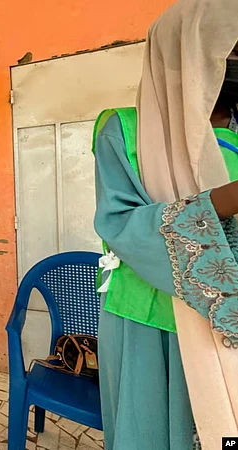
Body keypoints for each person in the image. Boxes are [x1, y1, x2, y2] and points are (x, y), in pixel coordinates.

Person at [92, 0, 238, 448]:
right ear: (178, 57)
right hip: (149, 318)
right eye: (227, 52)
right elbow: (118, 223)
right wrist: (229, 201)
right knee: (151, 432)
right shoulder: (124, 130)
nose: (232, 64)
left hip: (229, 321)